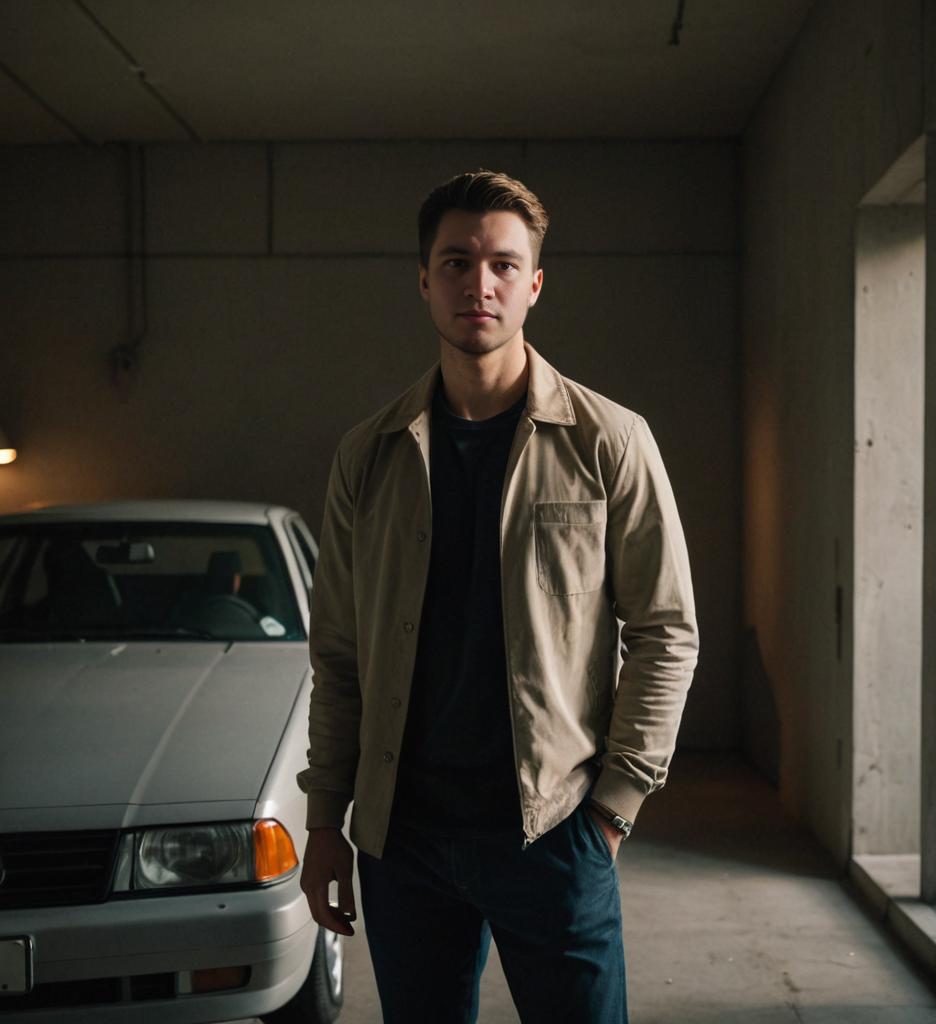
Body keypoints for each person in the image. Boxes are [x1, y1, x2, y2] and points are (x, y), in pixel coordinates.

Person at [296, 169, 699, 1023]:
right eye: (455, 261)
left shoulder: (610, 443)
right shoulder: (367, 456)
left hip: (553, 830)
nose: (479, 283)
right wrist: (326, 818)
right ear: (424, 279)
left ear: (535, 285)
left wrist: (614, 810)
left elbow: (666, 631)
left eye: (503, 265)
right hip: (403, 840)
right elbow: (337, 652)